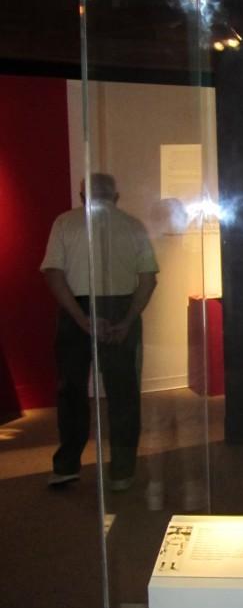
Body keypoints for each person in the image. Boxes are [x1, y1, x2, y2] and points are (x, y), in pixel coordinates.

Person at [41, 173, 158, 490]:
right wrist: (128, 319)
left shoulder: (65, 223)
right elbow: (148, 279)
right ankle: (122, 470)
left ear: (83, 196)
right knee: (123, 392)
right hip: (121, 307)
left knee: (71, 390)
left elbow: (53, 274)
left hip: (74, 308)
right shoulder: (133, 226)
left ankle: (67, 465)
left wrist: (81, 318)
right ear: (116, 196)